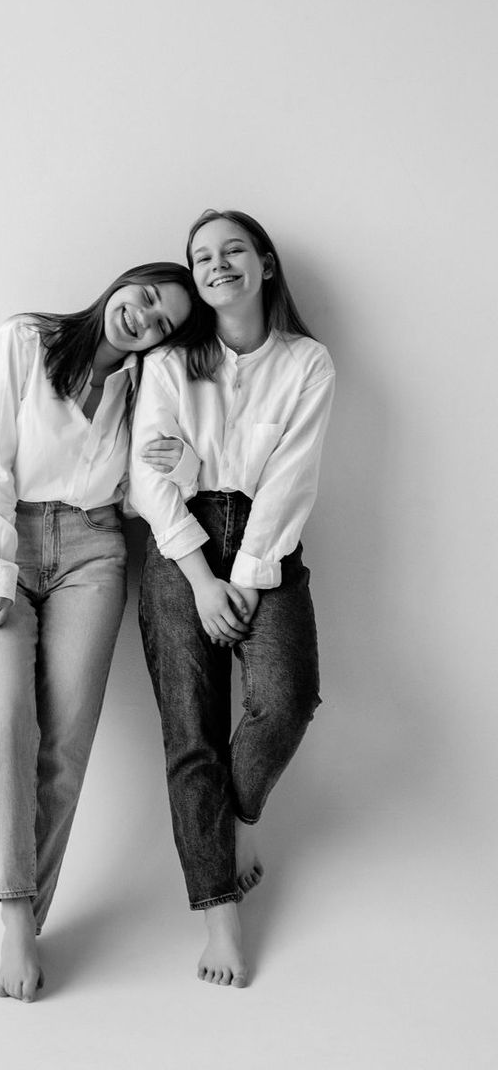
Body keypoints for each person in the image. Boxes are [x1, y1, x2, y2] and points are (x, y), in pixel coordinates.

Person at [0, 262, 203, 1002]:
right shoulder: (23, 342)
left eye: (163, 323)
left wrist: (179, 460)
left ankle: (21, 922)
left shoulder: (140, 387)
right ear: (123, 283)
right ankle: (16, 905)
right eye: (148, 297)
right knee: (7, 715)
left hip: (95, 551)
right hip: (5, 543)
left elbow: (134, 492)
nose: (146, 318)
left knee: (68, 734)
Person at [131, 209, 335, 988]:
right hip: (179, 542)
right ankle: (220, 918)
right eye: (202, 257)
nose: (216, 265)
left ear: (266, 264)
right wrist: (201, 578)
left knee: (287, 699)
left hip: (265, 538)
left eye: (232, 251)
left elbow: (291, 480)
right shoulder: (172, 362)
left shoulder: (308, 363)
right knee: (192, 730)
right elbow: (150, 479)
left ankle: (240, 819)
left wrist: (244, 578)